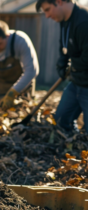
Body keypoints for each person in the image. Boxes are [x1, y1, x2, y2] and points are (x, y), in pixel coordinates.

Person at [36, 0, 88, 132]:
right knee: (61, 121)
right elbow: (64, 45)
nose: (47, 16)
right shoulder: (65, 20)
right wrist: (62, 61)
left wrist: (72, 65)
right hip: (76, 83)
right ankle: (73, 142)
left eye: (47, 9)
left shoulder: (84, 22)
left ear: (59, 2)